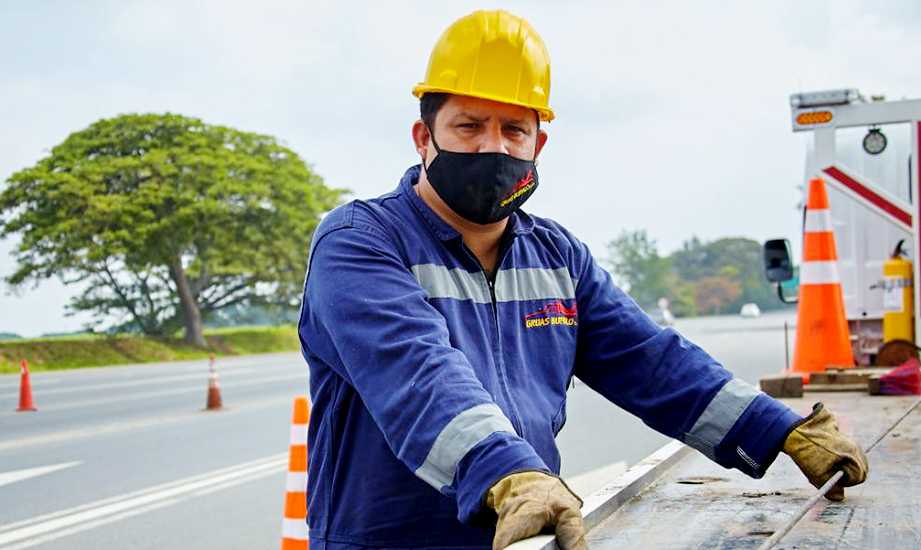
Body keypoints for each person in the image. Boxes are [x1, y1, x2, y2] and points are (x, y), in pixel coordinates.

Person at [298, 10, 868, 550]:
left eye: (514, 130)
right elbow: (414, 373)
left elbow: (652, 361)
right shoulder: (359, 243)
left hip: (529, 535)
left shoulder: (557, 257)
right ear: (424, 138)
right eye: (468, 125)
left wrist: (781, 429)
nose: (492, 146)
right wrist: (509, 473)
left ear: (537, 146)